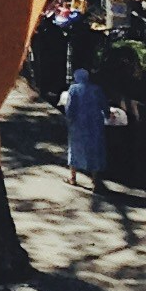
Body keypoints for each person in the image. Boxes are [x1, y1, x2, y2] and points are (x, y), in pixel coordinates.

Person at [64, 59, 109, 195]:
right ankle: (95, 182)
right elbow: (104, 105)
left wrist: (69, 119)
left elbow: (70, 107)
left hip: (79, 123)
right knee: (95, 150)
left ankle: (73, 177)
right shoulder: (96, 89)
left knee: (75, 148)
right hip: (95, 123)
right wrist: (107, 114)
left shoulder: (73, 89)